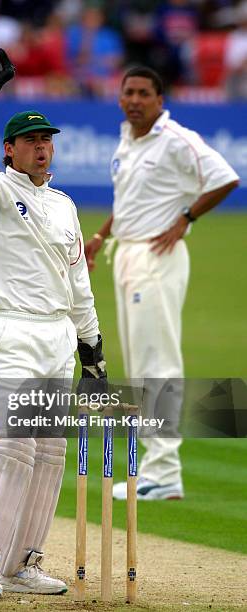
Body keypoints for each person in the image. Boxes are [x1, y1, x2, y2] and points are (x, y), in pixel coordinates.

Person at [0, 39, 107, 600]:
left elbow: (77, 279)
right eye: (32, 141)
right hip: (11, 329)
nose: (43, 149)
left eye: (47, 141)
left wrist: (93, 345)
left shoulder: (63, 205)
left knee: (49, 452)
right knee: (12, 445)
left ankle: (22, 562)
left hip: (60, 335)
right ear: (9, 149)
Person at [85, 66, 239, 501]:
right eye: (127, 92)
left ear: (159, 99)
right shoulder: (126, 141)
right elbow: (129, 201)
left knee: (158, 362)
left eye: (143, 93)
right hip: (128, 254)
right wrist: (101, 235)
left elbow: (226, 176)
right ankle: (153, 468)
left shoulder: (176, 139)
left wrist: (186, 218)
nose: (134, 100)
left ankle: (165, 472)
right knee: (138, 364)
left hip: (158, 258)